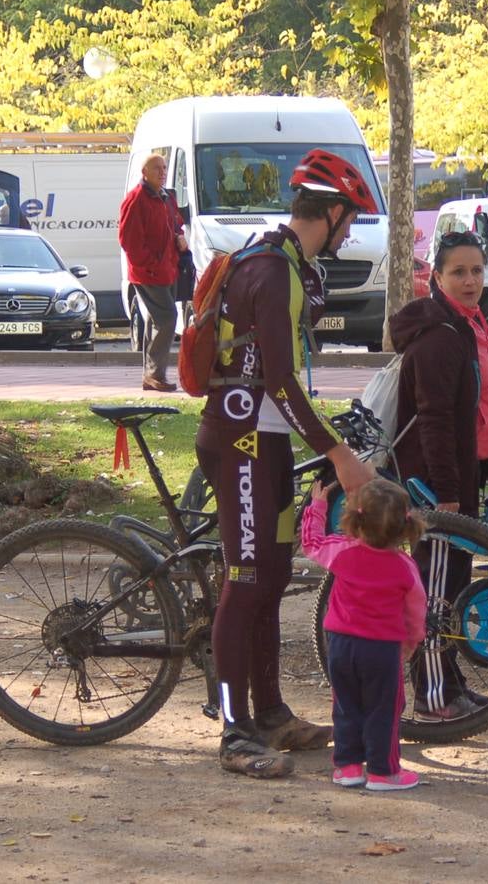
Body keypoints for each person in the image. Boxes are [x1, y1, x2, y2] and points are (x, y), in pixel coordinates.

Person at [195, 149, 378, 778]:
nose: (350, 231)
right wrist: (337, 454)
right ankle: (231, 730)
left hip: (265, 442)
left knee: (270, 582)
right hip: (242, 440)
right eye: (348, 219)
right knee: (244, 583)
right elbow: (278, 381)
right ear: (329, 212)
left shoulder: (286, 264)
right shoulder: (273, 272)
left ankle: (270, 713)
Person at [388, 231, 488, 720]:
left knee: (452, 582)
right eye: (458, 272)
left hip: (465, 474)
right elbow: (434, 419)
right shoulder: (439, 335)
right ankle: (431, 692)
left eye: (477, 271)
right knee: (437, 587)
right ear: (438, 277)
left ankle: (448, 680)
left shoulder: (471, 323)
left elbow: (472, 394)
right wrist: (445, 494)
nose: (470, 281)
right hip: (437, 483)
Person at [301, 478, 427, 792]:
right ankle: (384, 772)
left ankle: (348, 766)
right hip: (382, 649)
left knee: (345, 705)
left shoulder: (341, 551)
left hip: (341, 645)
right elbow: (416, 610)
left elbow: (311, 543)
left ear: (356, 519)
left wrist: (316, 509)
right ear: (405, 526)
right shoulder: (405, 566)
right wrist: (411, 641)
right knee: (384, 708)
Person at [118, 153, 186, 392]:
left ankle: (150, 375)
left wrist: (180, 236)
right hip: (149, 272)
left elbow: (175, 222)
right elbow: (128, 241)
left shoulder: (166, 197)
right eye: (157, 168)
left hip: (168, 268)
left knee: (156, 319)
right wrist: (151, 264)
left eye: (164, 167)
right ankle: (155, 374)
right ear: (144, 172)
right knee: (167, 318)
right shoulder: (136, 199)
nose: (162, 172)